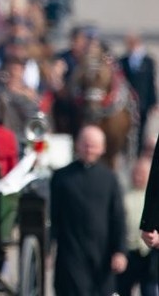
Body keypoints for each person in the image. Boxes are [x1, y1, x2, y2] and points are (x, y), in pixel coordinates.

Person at [51, 125, 127, 296]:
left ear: (102, 148)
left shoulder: (110, 179)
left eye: (93, 145)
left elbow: (118, 217)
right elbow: (52, 216)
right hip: (71, 252)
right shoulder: (62, 177)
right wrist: (48, 248)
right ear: (77, 145)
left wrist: (120, 251)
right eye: (85, 144)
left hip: (101, 254)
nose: (89, 149)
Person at [119, 157, 158, 296]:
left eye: (143, 174)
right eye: (136, 173)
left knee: (149, 290)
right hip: (129, 251)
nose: (139, 177)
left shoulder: (153, 198)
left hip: (149, 254)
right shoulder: (124, 196)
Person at [119, 32, 157, 155]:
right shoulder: (123, 61)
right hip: (127, 103)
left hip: (143, 101)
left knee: (141, 129)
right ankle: (126, 152)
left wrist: (154, 102)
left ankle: (139, 154)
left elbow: (151, 83)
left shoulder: (148, 61)